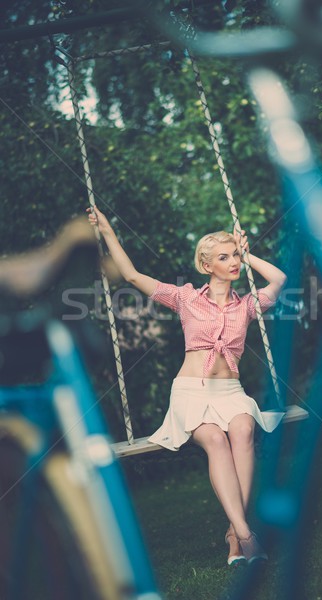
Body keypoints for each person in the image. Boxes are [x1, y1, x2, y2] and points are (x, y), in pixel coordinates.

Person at [87, 205, 287, 565]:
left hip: (231, 393)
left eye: (235, 256)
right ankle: (245, 534)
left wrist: (248, 252)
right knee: (214, 438)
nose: (234, 262)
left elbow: (279, 280)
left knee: (242, 430)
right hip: (191, 392)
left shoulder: (246, 306)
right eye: (225, 257)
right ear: (206, 265)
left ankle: (232, 533)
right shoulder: (185, 299)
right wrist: (106, 230)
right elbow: (131, 275)